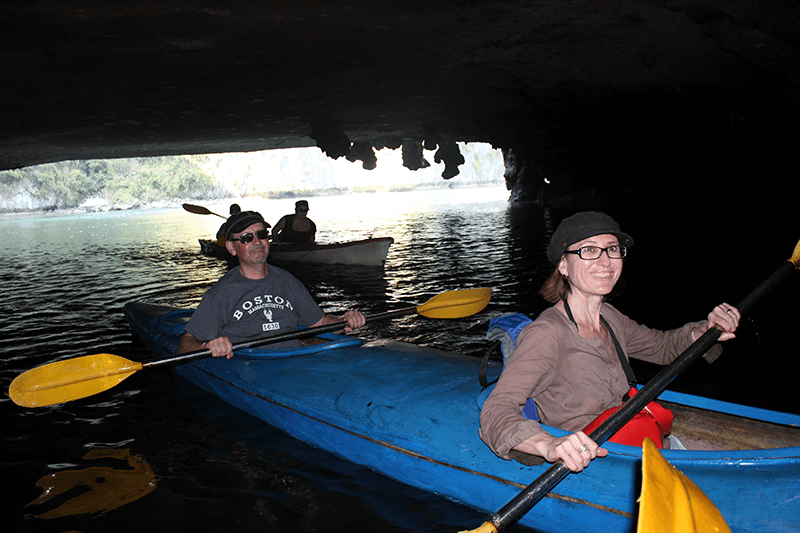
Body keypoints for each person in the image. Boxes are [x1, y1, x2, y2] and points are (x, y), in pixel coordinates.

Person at [479, 211, 740, 472]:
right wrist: (549, 445)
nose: (605, 261)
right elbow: (497, 408)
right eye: (589, 250)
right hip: (593, 460)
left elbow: (663, 347)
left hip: (630, 438)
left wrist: (706, 329)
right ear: (563, 265)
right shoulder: (547, 333)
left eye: (612, 249)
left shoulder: (609, 317)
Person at [179, 210, 365, 358]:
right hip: (252, 364)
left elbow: (320, 322)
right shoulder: (221, 293)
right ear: (231, 248)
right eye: (246, 238)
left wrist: (343, 321)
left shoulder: (287, 281)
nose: (257, 242)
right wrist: (206, 345)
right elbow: (185, 344)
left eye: (261, 234)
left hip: (296, 359)